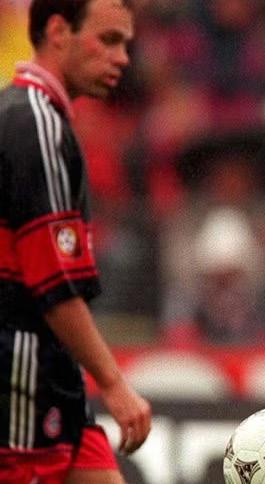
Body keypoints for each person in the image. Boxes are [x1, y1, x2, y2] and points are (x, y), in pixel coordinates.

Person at [0, 1, 152, 482]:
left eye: (125, 43)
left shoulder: (34, 116)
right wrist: (114, 383)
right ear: (58, 31)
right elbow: (53, 283)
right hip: (21, 373)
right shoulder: (34, 122)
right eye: (108, 40)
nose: (122, 58)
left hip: (54, 375)